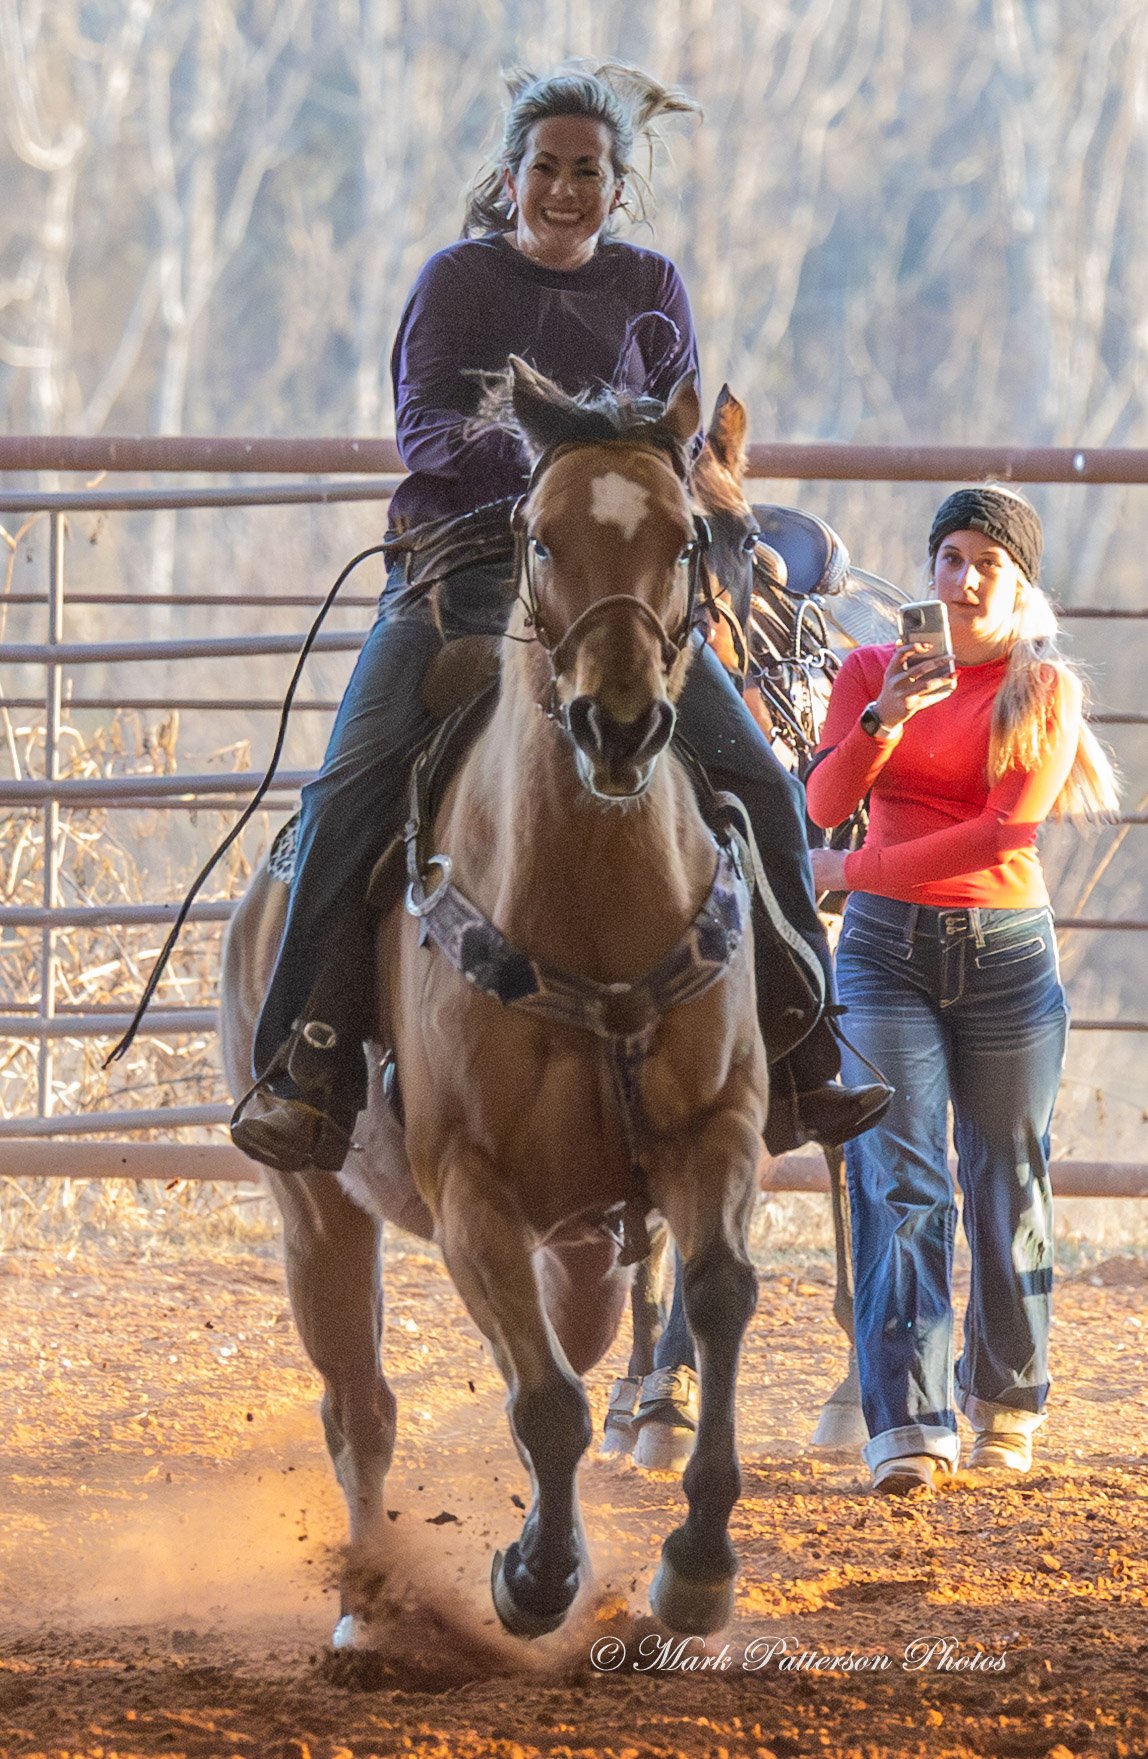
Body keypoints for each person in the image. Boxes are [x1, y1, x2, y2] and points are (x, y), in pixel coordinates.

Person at [230, 61, 890, 1174]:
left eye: (588, 171)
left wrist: (629, 483)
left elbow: (677, 443)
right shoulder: (455, 282)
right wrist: (560, 458)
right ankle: (308, 1062)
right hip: (461, 577)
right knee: (349, 784)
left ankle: (801, 1053)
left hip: (618, 584)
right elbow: (424, 431)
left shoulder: (652, 285)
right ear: (510, 177)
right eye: (547, 167)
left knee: (764, 783)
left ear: (616, 188)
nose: (566, 189)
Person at [805, 486, 1119, 1495]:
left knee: (1007, 1176)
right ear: (929, 570)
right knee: (897, 1176)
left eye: (990, 562)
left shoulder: (1041, 690)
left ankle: (1008, 1398)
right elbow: (825, 797)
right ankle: (907, 1419)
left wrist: (848, 871)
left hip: (1003, 960)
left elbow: (999, 835)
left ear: (1020, 586)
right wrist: (883, 720)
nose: (966, 577)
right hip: (883, 956)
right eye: (951, 556)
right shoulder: (870, 671)